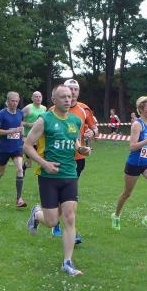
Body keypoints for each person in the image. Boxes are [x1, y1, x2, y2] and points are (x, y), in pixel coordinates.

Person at [24, 85, 91, 276]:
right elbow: (27, 145)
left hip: (69, 174)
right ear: (54, 100)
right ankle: (37, 214)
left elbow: (74, 141)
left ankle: (67, 262)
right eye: (63, 97)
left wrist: (81, 149)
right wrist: (44, 163)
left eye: (69, 96)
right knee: (52, 221)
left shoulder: (76, 120)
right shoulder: (44, 119)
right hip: (48, 177)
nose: (68, 100)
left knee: (69, 217)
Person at [46, 79, 98, 241]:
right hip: (58, 158)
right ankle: (63, 227)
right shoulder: (52, 110)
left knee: (68, 196)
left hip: (77, 157)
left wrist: (92, 133)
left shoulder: (84, 109)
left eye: (76, 89)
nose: (73, 92)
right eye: (70, 89)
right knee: (67, 196)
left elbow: (94, 128)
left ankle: (60, 226)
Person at [111, 96, 147, 232]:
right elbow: (132, 146)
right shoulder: (137, 124)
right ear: (141, 109)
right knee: (127, 193)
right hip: (134, 163)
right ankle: (116, 215)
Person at [0, 91, 26, 207]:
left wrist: (22, 134)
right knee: (1, 172)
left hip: (17, 147)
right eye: (12, 101)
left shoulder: (20, 113)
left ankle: (19, 199)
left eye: (16, 101)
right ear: (7, 101)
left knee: (20, 169)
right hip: (4, 148)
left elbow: (20, 126)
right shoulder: (1, 114)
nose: (14, 103)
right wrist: (10, 131)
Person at [22, 91, 46, 171]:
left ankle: (43, 174)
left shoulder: (44, 108)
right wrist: (30, 125)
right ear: (32, 98)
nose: (38, 98)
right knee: (29, 164)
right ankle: (22, 169)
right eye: (36, 96)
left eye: (39, 96)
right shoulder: (28, 108)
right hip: (29, 138)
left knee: (42, 158)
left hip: (40, 138)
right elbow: (18, 121)